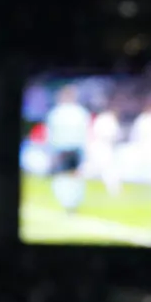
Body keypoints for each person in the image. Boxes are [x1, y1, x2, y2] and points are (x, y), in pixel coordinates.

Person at [43, 85, 91, 213]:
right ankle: (73, 203)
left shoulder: (57, 112)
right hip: (74, 148)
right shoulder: (81, 112)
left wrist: (50, 151)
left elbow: (50, 133)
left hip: (62, 148)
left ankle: (67, 202)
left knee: (63, 176)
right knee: (74, 175)